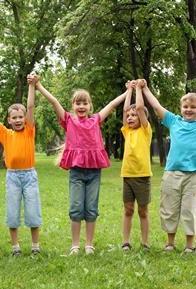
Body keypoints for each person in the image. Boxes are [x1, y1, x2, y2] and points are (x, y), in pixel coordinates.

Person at [32, 73, 128, 255]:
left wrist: (128, 91)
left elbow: (113, 104)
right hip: (76, 172)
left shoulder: (96, 120)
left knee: (91, 208)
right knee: (76, 208)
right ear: (73, 106)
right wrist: (39, 86)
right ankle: (75, 245)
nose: (81, 106)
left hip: (94, 173)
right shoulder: (68, 120)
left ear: (90, 106)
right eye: (78, 103)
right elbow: (54, 102)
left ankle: (89, 244)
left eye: (85, 103)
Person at [141, 77, 196, 253]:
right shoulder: (173, 121)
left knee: (189, 210)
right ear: (180, 109)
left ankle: (190, 245)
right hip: (172, 174)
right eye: (185, 107)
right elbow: (156, 106)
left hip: (194, 175)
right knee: (169, 209)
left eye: (193, 107)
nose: (188, 110)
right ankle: (170, 243)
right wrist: (145, 89)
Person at [0, 79, 42, 257]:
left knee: (33, 211)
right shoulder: (6, 134)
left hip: (29, 175)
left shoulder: (30, 131)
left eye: (20, 117)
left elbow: (30, 107)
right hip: (13, 177)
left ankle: (35, 246)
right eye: (14, 118)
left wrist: (31, 85)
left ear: (25, 119)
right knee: (13, 213)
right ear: (9, 120)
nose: (17, 120)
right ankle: (15, 247)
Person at [120, 80, 152, 251]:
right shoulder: (127, 131)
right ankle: (126, 242)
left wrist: (139, 88)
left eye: (135, 115)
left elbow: (140, 108)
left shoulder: (145, 130)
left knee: (143, 211)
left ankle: (145, 243)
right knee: (128, 209)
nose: (131, 117)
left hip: (143, 176)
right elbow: (125, 110)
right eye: (129, 116)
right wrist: (129, 91)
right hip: (127, 176)